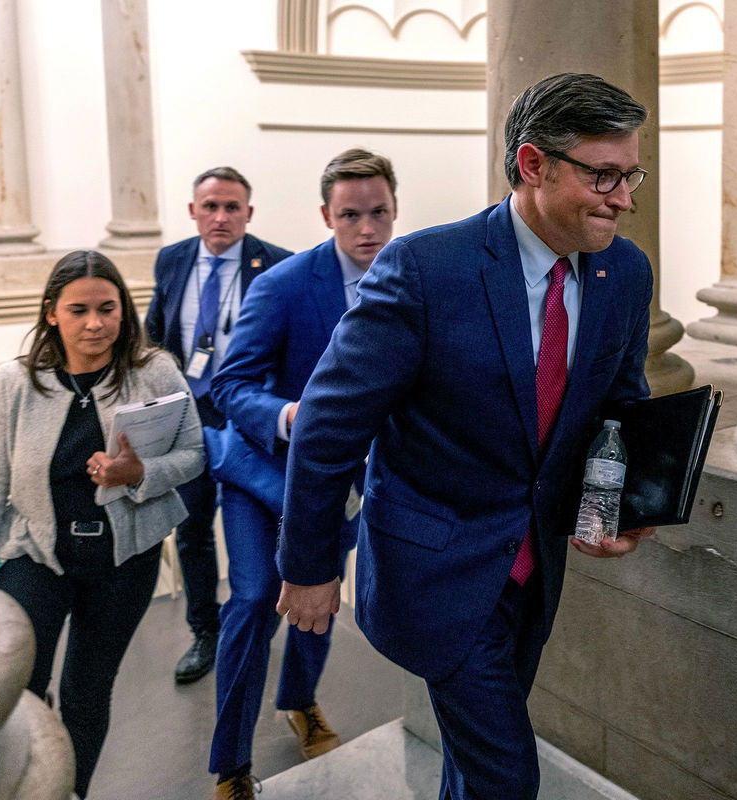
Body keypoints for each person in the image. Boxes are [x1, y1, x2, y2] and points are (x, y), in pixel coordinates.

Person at [275, 74, 659, 799]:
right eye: (603, 175)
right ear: (534, 164)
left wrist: (623, 505)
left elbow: (620, 406)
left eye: (629, 174)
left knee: (474, 765)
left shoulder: (624, 272)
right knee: (506, 777)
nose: (624, 198)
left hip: (535, 566)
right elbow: (329, 423)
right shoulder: (427, 269)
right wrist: (310, 564)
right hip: (436, 572)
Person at [0, 250, 204, 798]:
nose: (95, 323)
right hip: (37, 556)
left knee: (87, 694)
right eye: (79, 310)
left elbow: (193, 454)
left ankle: (71, 791)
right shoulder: (16, 383)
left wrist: (140, 472)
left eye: (108, 308)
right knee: (19, 688)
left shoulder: (153, 371)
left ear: (123, 311)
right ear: (51, 314)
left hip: (123, 563)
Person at [205, 148, 399, 799]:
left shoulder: (409, 280)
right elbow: (231, 385)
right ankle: (231, 764)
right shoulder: (283, 284)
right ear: (326, 215)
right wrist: (291, 416)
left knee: (318, 604)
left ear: (394, 209)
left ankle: (299, 701)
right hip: (262, 473)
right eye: (351, 215)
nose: (367, 228)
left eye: (378, 213)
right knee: (257, 599)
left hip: (344, 483)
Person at [145, 167, 293, 684]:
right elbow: (156, 339)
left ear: (248, 213)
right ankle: (204, 632)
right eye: (210, 206)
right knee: (192, 529)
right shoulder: (172, 260)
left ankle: (262, 618)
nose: (221, 217)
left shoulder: (276, 265)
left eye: (232, 207)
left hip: (250, 419)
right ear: (193, 211)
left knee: (262, 522)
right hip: (190, 419)